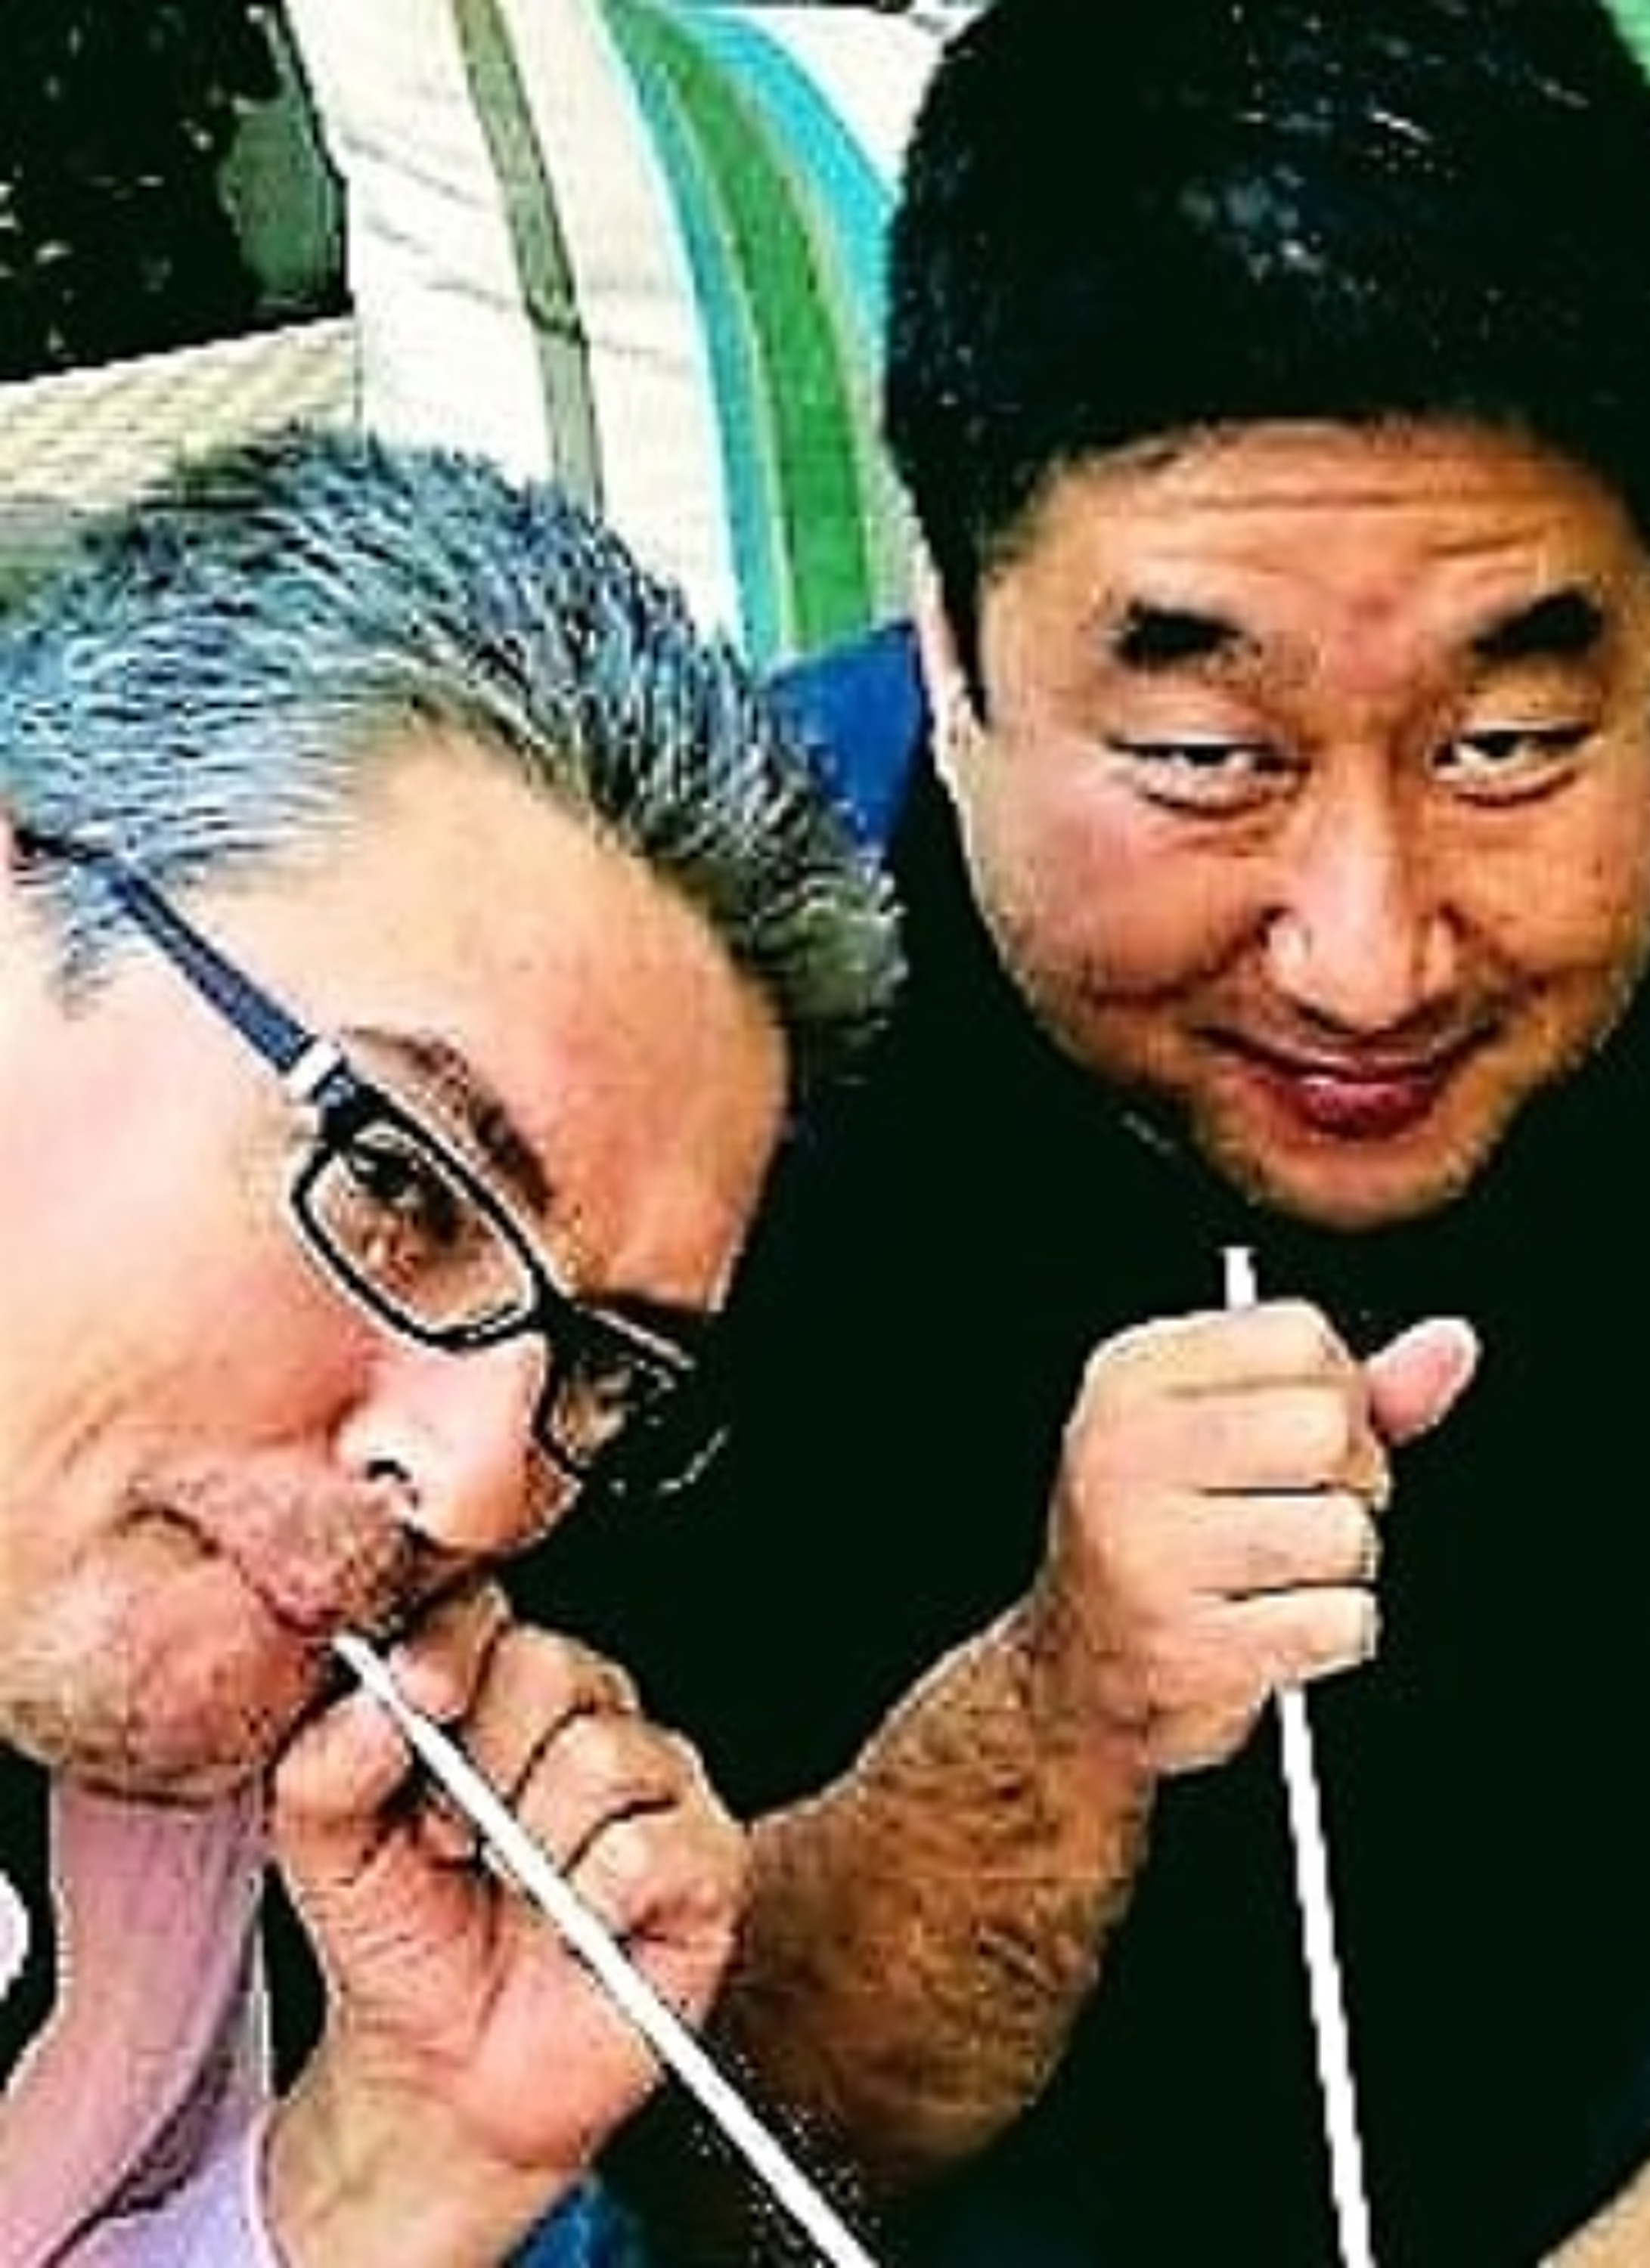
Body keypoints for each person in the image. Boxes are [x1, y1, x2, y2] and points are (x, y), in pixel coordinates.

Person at [541, 0, 1650, 2258]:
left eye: (1510, 743)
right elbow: (686, 2146)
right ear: (949, 655)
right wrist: (1062, 1708)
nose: (1367, 960)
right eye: (1207, 760)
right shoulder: (683, 1052)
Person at [0, 424, 900, 2262]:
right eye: (398, 1180)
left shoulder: (159, 1760)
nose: (479, 1485)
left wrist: (398, 2164)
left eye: (602, 1370)